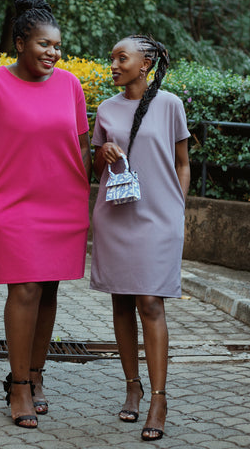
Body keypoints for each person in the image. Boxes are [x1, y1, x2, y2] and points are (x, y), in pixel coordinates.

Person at [0, 0, 91, 429]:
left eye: (57, 46)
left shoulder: (71, 85)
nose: (53, 53)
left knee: (48, 290)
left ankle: (36, 377)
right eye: (43, 45)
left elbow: (83, 143)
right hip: (12, 205)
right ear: (20, 43)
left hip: (63, 204)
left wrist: (83, 186)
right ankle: (17, 385)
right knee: (25, 290)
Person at [90, 34, 190, 441]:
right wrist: (105, 152)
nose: (113, 65)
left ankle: (159, 399)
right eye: (112, 58)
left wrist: (177, 208)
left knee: (150, 302)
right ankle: (132, 386)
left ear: (145, 63)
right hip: (116, 217)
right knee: (121, 300)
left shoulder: (170, 105)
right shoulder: (105, 109)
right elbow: (95, 168)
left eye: (121, 58)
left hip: (159, 219)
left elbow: (183, 162)